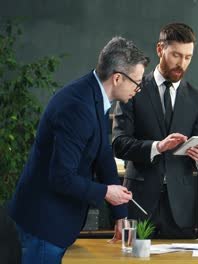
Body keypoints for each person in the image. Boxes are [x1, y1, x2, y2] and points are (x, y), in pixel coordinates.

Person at [8, 36, 149, 263]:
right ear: (117, 78)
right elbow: (61, 177)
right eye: (137, 83)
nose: (139, 89)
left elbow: (104, 154)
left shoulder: (96, 96)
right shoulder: (77, 107)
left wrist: (120, 213)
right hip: (43, 225)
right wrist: (105, 193)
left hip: (56, 224)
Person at [112, 22, 198, 239]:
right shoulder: (132, 88)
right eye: (176, 55)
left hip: (181, 210)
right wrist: (157, 147)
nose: (181, 63)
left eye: (188, 57)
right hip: (139, 204)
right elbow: (118, 143)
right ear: (159, 49)